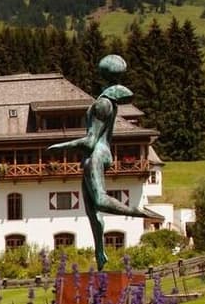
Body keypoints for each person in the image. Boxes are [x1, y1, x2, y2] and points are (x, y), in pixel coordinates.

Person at [48, 54, 164, 271]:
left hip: (97, 155)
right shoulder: (109, 100)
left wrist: (61, 147)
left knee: (100, 201)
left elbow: (91, 140)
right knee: (92, 213)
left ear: (102, 74)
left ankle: (138, 212)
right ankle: (100, 254)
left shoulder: (103, 103)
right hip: (95, 156)